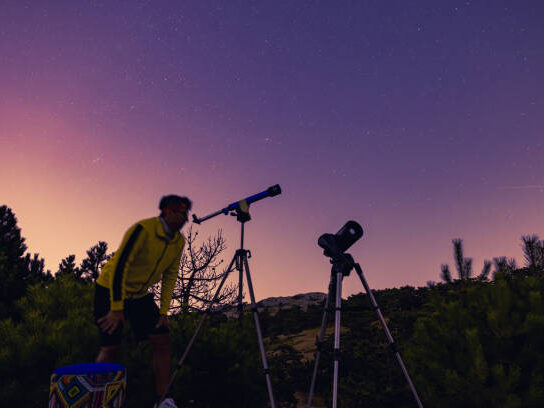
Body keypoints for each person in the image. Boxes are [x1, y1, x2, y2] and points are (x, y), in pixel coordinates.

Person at [93, 194, 191, 407]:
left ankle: (163, 400)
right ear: (167, 211)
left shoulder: (178, 242)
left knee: (162, 338)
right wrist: (117, 308)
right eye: (180, 212)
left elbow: (170, 275)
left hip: (138, 294)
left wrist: (164, 313)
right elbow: (120, 266)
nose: (184, 218)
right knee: (110, 347)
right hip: (109, 289)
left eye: (186, 214)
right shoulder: (143, 230)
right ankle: (95, 400)